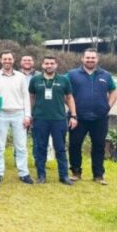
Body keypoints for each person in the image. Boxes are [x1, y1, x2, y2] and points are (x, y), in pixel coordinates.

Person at [67, 48, 117, 185]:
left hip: (99, 118)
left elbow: (113, 91)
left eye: (93, 58)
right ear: (82, 59)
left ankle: (98, 175)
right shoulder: (71, 75)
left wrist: (107, 107)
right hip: (78, 117)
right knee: (75, 145)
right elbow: (65, 93)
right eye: (88, 58)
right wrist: (72, 111)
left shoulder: (106, 75)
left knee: (99, 146)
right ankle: (76, 172)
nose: (90, 60)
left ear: (97, 59)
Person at [28, 55, 76, 185]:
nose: (49, 66)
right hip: (40, 119)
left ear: (56, 65)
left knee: (60, 148)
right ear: (42, 65)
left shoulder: (64, 80)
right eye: (47, 63)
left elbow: (69, 98)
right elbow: (31, 97)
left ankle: (64, 176)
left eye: (52, 63)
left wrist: (73, 115)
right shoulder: (35, 80)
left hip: (58, 119)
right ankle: (41, 175)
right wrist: (30, 114)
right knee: (40, 148)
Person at [0, 51, 33, 184]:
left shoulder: (21, 77)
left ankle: (23, 173)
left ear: (13, 60)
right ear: (0, 60)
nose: (7, 61)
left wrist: (27, 116)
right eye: (5, 59)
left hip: (18, 114)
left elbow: (26, 96)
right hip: (0, 114)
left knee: (21, 146)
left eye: (9, 59)